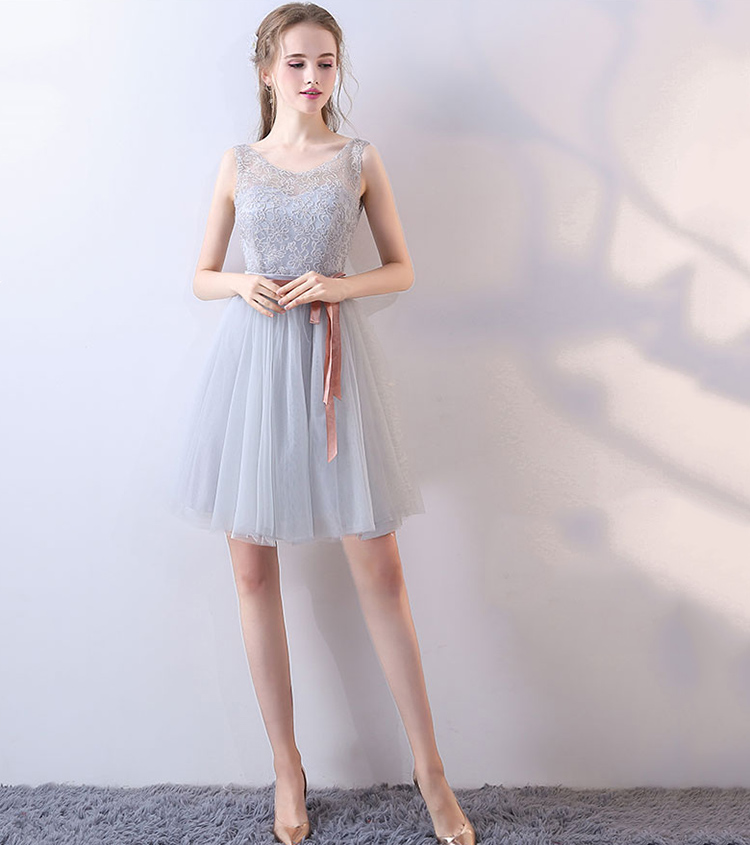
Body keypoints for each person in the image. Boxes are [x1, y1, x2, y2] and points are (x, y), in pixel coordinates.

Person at [170, 3, 477, 844]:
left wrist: (340, 285)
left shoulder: (359, 159)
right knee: (250, 571)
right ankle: (287, 766)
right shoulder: (238, 163)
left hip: (335, 370)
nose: (313, 77)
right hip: (253, 372)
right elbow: (200, 274)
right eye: (298, 62)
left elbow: (401, 267)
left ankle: (431, 769)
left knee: (381, 568)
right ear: (268, 70)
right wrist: (241, 284)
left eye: (327, 63)